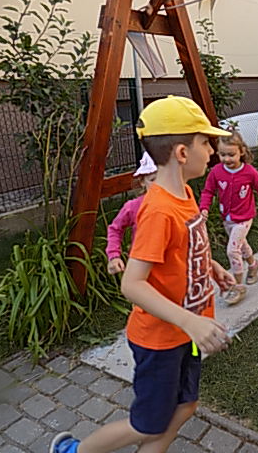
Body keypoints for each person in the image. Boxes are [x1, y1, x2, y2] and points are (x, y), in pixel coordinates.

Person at [50, 96, 236, 453]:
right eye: (205, 142)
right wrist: (190, 321)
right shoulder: (158, 210)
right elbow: (132, 284)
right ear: (182, 153)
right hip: (161, 341)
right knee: (147, 424)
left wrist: (210, 267)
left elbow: (182, 249)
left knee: (186, 406)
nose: (212, 151)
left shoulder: (184, 193)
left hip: (185, 333)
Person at [200, 130, 258, 306]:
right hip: (227, 218)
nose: (227, 159)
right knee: (242, 244)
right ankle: (253, 265)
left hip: (244, 217)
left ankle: (237, 286)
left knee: (232, 250)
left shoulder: (249, 172)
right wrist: (204, 208)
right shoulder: (216, 172)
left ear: (241, 152)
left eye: (231, 155)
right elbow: (208, 191)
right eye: (222, 155)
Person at [106, 152, 157, 275]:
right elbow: (115, 229)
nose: (159, 185)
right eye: (153, 179)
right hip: (141, 267)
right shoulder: (133, 207)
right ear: (142, 181)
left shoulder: (178, 202)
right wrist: (114, 256)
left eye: (164, 179)